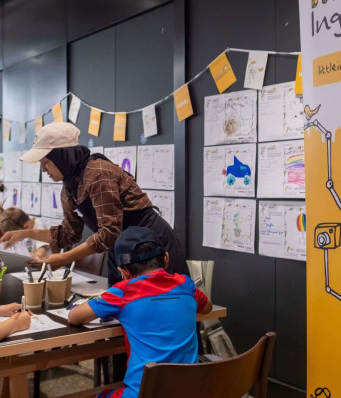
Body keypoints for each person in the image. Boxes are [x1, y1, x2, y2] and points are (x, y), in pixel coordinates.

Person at [0, 122, 189, 286]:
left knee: (165, 305)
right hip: (122, 250)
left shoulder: (98, 174)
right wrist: (23, 234)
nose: (43, 169)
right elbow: (68, 233)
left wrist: (64, 258)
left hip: (152, 249)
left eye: (46, 162)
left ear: (62, 156)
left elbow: (109, 233)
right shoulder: (68, 189)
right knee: (123, 309)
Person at [69, 226, 212, 398]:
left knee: (101, 395)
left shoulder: (123, 291)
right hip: (190, 392)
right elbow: (207, 307)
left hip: (143, 393)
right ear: (166, 258)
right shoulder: (186, 284)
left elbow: (74, 317)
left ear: (123, 271)